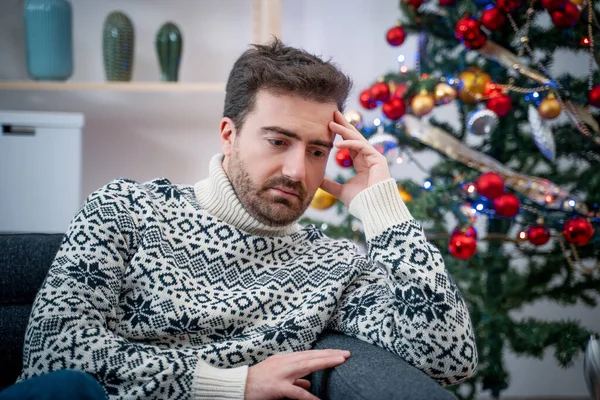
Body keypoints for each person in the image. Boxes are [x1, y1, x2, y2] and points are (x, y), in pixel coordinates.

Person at [13, 39, 477, 399]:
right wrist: (233, 386)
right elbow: (54, 359)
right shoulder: (123, 209)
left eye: (318, 150)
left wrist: (384, 210)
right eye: (278, 141)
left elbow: (447, 358)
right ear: (228, 135)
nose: (298, 171)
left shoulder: (333, 266)